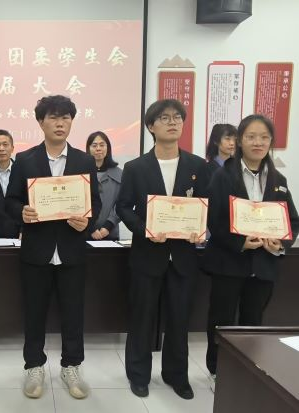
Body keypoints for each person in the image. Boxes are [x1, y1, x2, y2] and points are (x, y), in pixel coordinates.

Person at [5, 95, 101, 400]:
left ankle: (71, 366)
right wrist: (21, 212)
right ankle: (34, 366)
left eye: (66, 118)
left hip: (72, 250)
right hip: (37, 251)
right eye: (53, 118)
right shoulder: (25, 160)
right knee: (34, 313)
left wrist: (87, 221)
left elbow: (95, 202)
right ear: (41, 122)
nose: (60, 124)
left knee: (73, 313)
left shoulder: (84, 161)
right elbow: (10, 201)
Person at [116, 99, 207, 400]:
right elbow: (123, 207)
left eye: (177, 117)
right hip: (147, 255)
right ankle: (138, 375)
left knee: (179, 319)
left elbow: (207, 207)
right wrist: (145, 229)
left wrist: (201, 229)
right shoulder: (135, 167)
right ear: (151, 126)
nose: (173, 122)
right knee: (142, 318)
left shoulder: (198, 166)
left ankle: (176, 375)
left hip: (183, 257)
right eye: (165, 118)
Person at [203, 114, 299, 389]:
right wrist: (240, 243)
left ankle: (246, 369)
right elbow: (214, 219)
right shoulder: (223, 176)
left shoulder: (279, 179)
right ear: (240, 141)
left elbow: (292, 221)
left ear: (271, 142)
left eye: (264, 137)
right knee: (221, 320)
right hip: (228, 262)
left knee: (253, 321)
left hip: (263, 265)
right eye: (251, 137)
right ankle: (217, 369)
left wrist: (280, 243)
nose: (258, 142)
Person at [86, 131, 123, 240]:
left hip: (110, 233)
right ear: (88, 149)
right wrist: (91, 228)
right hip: (84, 232)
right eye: (94, 145)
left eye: (102, 145)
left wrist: (108, 226)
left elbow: (122, 204)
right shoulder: (81, 173)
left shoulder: (119, 174)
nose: (98, 148)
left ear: (108, 148)